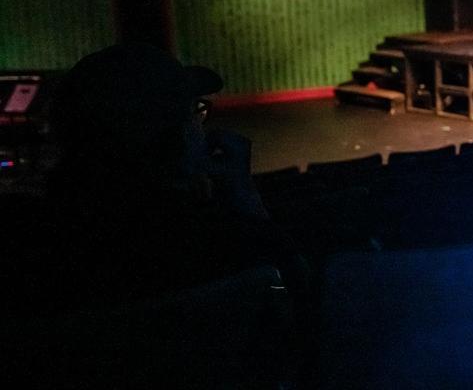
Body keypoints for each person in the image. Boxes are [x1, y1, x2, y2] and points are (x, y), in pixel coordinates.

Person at [13, 43, 300, 312]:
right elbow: (296, 287)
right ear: (173, 137)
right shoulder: (218, 244)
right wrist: (243, 193)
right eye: (194, 113)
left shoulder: (27, 246)